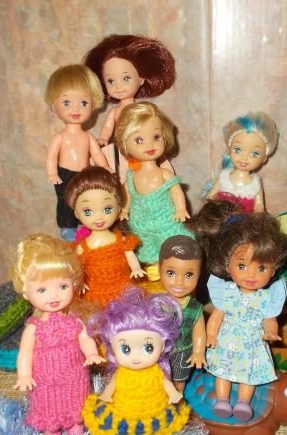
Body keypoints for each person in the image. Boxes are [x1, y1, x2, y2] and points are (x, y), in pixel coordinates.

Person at [188, 200, 287, 421]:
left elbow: (270, 319)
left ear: (273, 271)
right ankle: (222, 400)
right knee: (222, 372)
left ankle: (244, 402)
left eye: (261, 268)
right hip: (227, 341)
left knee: (249, 376)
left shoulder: (267, 297)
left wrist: (271, 331)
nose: (251, 275)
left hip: (252, 344)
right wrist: (211, 335)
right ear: (228, 266)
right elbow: (217, 316)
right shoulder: (226, 292)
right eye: (242, 266)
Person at [12, 233, 104, 435]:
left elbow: (85, 338)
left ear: (73, 284)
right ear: (26, 292)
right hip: (45, 382)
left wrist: (91, 353)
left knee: (76, 413)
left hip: (75, 378)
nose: (54, 296)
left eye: (62, 287)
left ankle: (76, 431)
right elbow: (25, 352)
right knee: (50, 417)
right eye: (42, 290)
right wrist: (24, 374)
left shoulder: (75, 320)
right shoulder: (34, 327)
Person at [82, 288, 190, 435]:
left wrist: (173, 393)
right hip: (125, 410)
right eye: (126, 349)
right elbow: (112, 385)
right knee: (123, 431)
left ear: (162, 346)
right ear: (112, 348)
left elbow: (167, 383)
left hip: (153, 411)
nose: (136, 357)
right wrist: (106, 394)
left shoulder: (157, 371)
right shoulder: (121, 373)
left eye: (148, 348)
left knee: (152, 433)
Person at [115, 101, 193, 280]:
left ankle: (171, 267)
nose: (149, 145)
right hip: (141, 223)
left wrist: (181, 208)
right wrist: (125, 209)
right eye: (139, 140)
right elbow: (127, 194)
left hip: (166, 221)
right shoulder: (130, 176)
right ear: (125, 144)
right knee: (148, 247)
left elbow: (176, 191)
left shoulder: (164, 173)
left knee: (172, 244)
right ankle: (155, 267)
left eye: (156, 137)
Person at [84, 34, 175, 181]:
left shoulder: (142, 110)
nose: (118, 86)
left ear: (141, 79)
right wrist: (103, 138)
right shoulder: (115, 111)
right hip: (120, 149)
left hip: (140, 147)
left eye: (126, 78)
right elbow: (108, 127)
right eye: (111, 81)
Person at [44, 64, 111, 241]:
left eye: (83, 103)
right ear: (54, 106)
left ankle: (85, 226)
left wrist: (104, 166)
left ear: (93, 105)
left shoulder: (88, 137)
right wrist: (52, 173)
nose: (75, 109)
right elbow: (51, 157)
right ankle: (68, 228)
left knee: (87, 200)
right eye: (67, 103)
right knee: (66, 201)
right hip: (64, 174)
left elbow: (97, 154)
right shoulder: (60, 137)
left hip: (84, 174)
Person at [64, 166, 145, 307]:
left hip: (123, 289)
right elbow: (76, 267)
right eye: (88, 211)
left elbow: (129, 254)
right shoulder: (83, 247)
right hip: (96, 294)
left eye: (107, 209)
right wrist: (79, 281)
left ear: (119, 209)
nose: (99, 217)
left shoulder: (121, 240)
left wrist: (136, 268)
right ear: (76, 213)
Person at [159, 235, 206, 391]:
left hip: (183, 352)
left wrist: (198, 352)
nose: (179, 282)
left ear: (199, 275)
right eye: (170, 273)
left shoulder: (195, 308)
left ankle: (178, 397)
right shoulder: (155, 304)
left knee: (179, 380)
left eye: (189, 275)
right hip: (159, 352)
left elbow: (199, 332)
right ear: (159, 271)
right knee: (159, 379)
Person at [206, 112, 278, 212]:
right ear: (229, 149)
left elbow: (259, 205)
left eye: (255, 154)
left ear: (264, 158)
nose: (244, 158)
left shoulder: (255, 183)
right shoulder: (224, 177)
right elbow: (211, 195)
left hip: (244, 220)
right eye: (237, 150)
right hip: (221, 217)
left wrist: (258, 211)